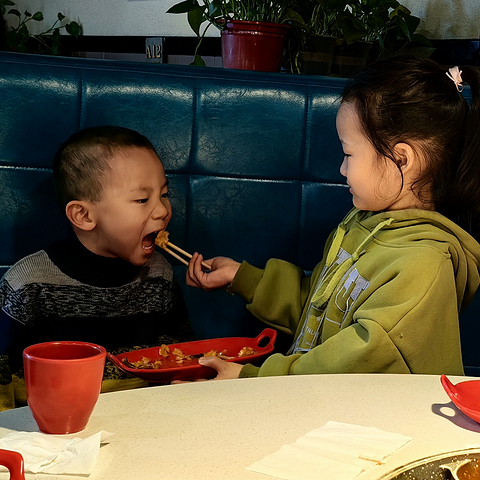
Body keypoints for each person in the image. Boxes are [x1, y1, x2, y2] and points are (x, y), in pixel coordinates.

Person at [186, 55, 480, 380]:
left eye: (348, 153)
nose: (342, 168)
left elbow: (354, 361)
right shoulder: (362, 224)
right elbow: (322, 309)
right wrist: (242, 277)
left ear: (401, 159)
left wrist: (252, 378)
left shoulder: (422, 264)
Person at [0, 126, 193, 410]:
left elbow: (178, 359)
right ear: (84, 215)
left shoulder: (159, 275)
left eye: (164, 194)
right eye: (142, 199)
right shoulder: (28, 283)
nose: (162, 210)